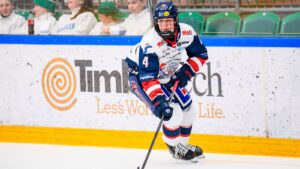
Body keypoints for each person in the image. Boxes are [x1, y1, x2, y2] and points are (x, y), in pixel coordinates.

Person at [125, 1, 208, 161]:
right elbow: (148, 78)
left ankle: (181, 146)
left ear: (175, 21)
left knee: (189, 112)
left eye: (168, 21)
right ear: (156, 22)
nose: (165, 25)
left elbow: (201, 54)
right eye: (161, 22)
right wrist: (159, 101)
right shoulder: (150, 42)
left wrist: (186, 72)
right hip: (141, 79)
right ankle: (174, 148)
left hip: (166, 75)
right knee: (173, 114)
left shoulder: (186, 32)